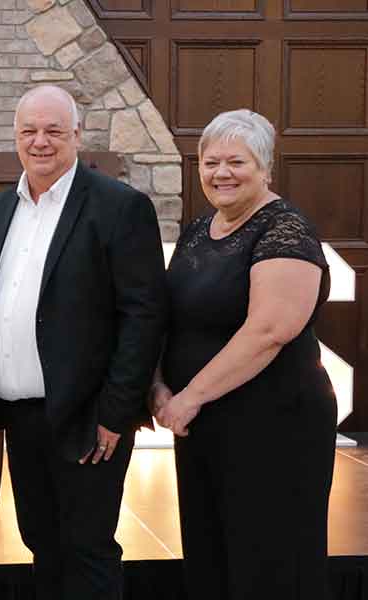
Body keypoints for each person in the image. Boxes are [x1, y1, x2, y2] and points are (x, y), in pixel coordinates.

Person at [0, 84, 167, 599]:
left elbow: (143, 316)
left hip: (88, 418)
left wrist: (116, 415)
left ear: (77, 134)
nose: (41, 142)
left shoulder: (120, 207)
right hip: (19, 416)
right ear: (15, 137)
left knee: (87, 549)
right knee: (43, 545)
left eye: (54, 130)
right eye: (29, 131)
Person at [152, 109, 337, 599]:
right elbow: (171, 315)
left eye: (237, 161)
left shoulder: (285, 229)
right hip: (203, 424)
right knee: (212, 553)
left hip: (274, 423)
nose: (221, 173)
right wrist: (157, 387)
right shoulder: (197, 229)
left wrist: (189, 396)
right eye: (210, 162)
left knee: (269, 560)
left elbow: (269, 330)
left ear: (265, 169)